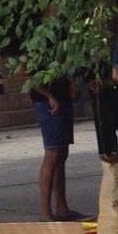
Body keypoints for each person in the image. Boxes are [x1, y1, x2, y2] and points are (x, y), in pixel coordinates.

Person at [30, 74, 80, 221]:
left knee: (62, 153)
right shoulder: (38, 54)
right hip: (47, 102)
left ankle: (62, 207)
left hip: (63, 98)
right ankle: (46, 212)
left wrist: (71, 83)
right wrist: (49, 96)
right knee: (52, 153)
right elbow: (34, 81)